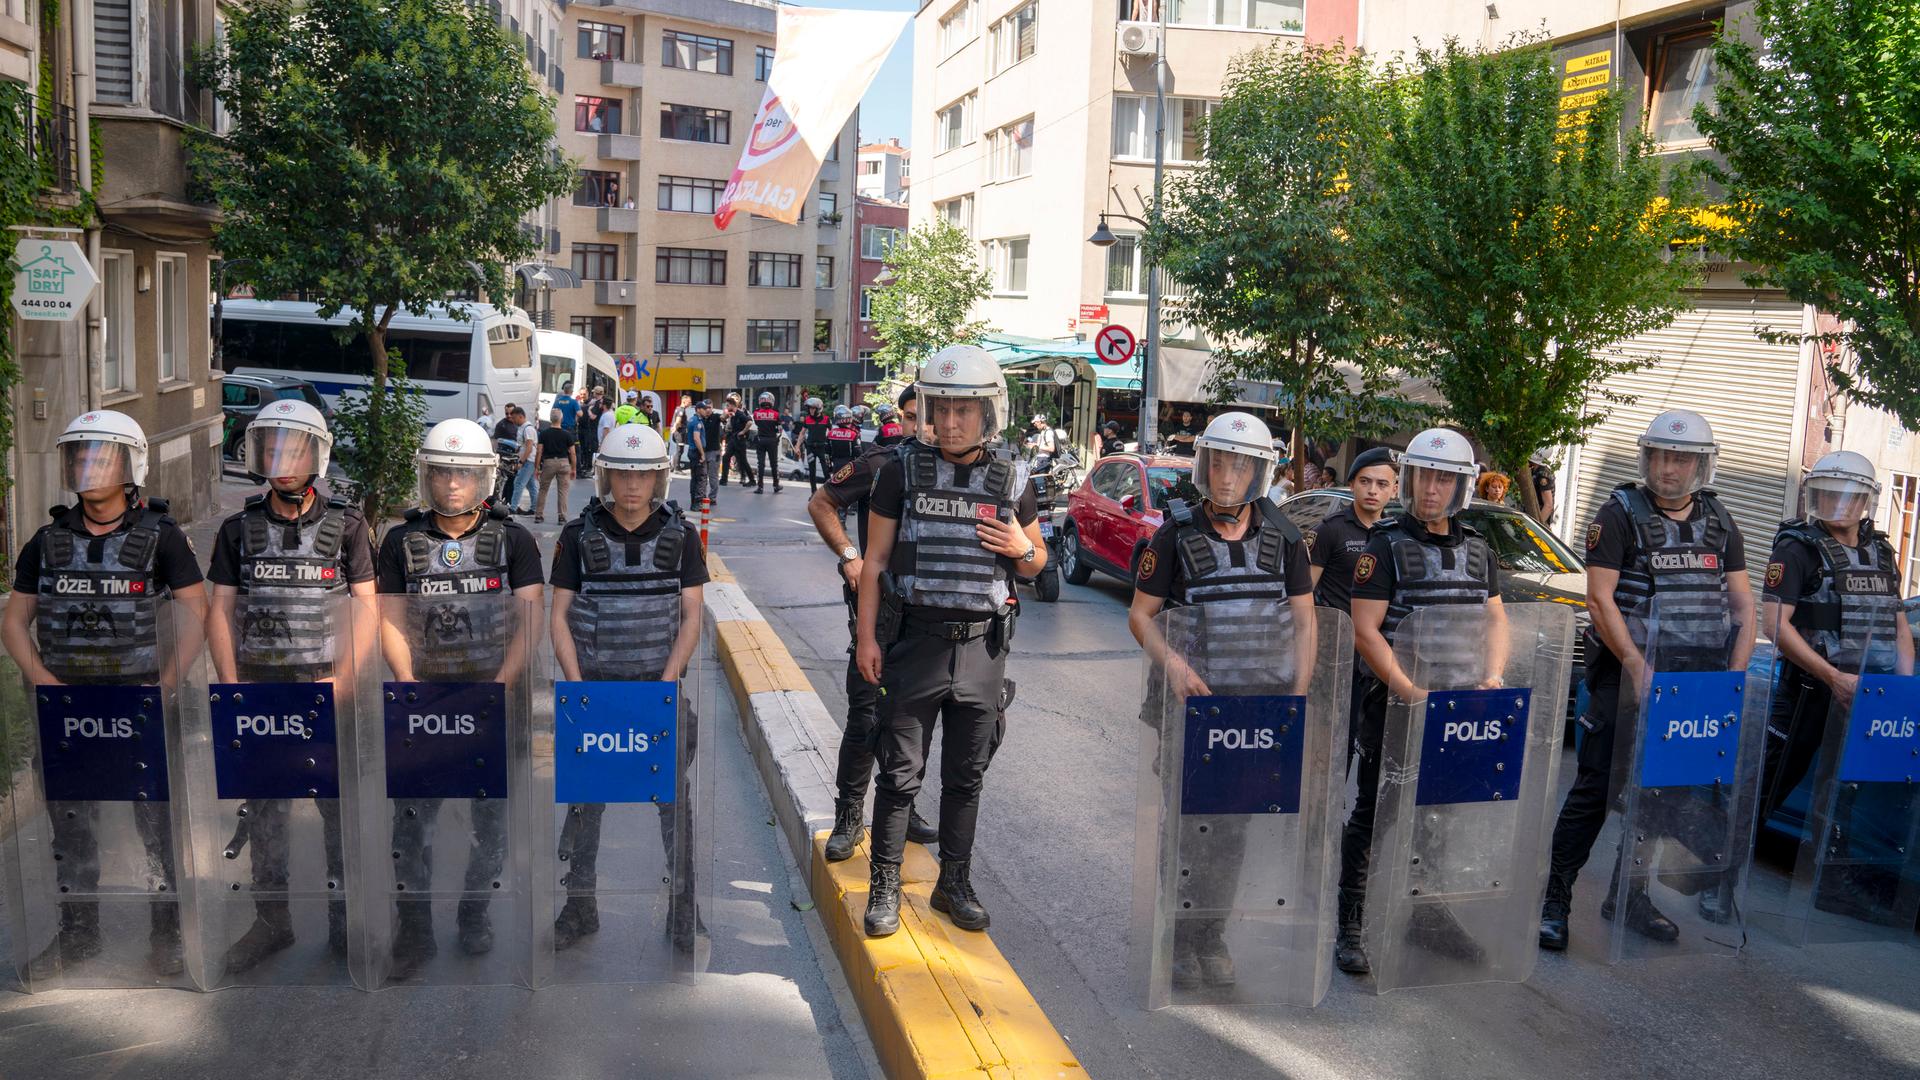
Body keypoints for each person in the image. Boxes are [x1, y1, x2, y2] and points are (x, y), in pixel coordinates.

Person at [1538, 412, 1756, 952]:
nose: (1668, 468)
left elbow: (1744, 606)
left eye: (1680, 458)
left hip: (1694, 684)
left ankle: (1629, 896)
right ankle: (1556, 900)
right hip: (1627, 678)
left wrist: (1732, 678)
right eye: (1660, 455)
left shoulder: (1721, 521)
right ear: (1647, 459)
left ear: (1700, 465)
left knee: (1664, 794)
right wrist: (1638, 668)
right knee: (1596, 790)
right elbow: (1599, 599)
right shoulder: (1618, 515)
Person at [2, 410, 207, 980]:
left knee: (157, 828)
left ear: (130, 466)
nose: (87, 467)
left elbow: (196, 612)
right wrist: (42, 679)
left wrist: (167, 682)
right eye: (79, 456)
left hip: (138, 707)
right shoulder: (46, 541)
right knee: (70, 828)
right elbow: (15, 619)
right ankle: (78, 936)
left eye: (101, 456)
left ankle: (166, 935)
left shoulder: (162, 538)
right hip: (68, 710)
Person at [855, 345, 1049, 937]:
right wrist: (867, 637)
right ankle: (884, 884)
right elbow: (876, 560)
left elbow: (1037, 563)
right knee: (899, 774)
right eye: (940, 409)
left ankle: (953, 884)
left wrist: (1021, 551)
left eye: (963, 409)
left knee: (967, 776)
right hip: (914, 642)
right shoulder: (899, 471)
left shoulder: (1012, 478)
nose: (949, 421)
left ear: (990, 411)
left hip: (982, 649)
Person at [1128, 411, 1314, 988]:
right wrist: (1176, 666)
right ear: (1205, 465)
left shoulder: (1284, 538)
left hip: (1256, 712)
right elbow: (1141, 616)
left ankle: (1213, 936)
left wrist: (1296, 700)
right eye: (1220, 463)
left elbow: (1305, 625)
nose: (1228, 476)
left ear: (1259, 472)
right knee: (1186, 826)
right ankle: (1178, 936)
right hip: (1193, 710)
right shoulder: (1176, 534)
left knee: (1233, 831)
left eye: (1241, 465)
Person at [202, 399, 377, 974]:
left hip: (326, 688)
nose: (282, 460)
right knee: (266, 809)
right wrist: (231, 689)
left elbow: (368, 611)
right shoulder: (237, 529)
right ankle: (271, 922)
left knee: (337, 809)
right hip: (259, 691)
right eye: (271, 448)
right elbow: (219, 610)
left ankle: (343, 922)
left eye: (294, 448)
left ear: (316, 455)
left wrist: (344, 680)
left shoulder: (349, 526)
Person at [374, 418, 543, 977]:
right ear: (428, 475)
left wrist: (500, 688)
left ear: (484, 480)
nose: (451, 485)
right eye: (443, 472)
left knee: (490, 821)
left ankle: (475, 915)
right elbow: (391, 620)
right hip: (425, 703)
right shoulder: (402, 541)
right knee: (412, 822)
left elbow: (529, 621)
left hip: (492, 702)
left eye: (463, 474)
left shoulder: (513, 539)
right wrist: (409, 687)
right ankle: (414, 928)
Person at [1339, 428, 1506, 975]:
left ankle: (1426, 915)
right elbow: (1366, 631)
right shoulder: (1383, 547)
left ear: (1461, 486)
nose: (1430, 489)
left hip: (1458, 710)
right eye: (1422, 476)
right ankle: (1352, 926)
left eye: (1443, 478)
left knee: (1440, 816)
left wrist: (1494, 675)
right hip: (1394, 704)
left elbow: (1496, 618)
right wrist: (1410, 692)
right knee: (1377, 813)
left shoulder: (1480, 549)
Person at [548, 423, 707, 950]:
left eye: (643, 475)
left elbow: (691, 617)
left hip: (657, 697)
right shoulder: (577, 536)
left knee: (673, 805)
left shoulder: (681, 536)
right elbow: (559, 617)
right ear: (606, 477)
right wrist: (578, 692)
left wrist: (664, 689)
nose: (632, 486)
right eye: (623, 474)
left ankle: (684, 910)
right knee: (585, 805)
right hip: (596, 692)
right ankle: (579, 906)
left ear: (659, 479)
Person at [809, 385, 941, 862]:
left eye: (928, 416)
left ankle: (902, 810)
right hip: (879, 611)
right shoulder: (878, 462)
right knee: (866, 715)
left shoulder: (958, 470)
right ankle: (848, 814)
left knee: (913, 721)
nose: (921, 427)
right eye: (911, 417)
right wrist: (850, 557)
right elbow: (822, 503)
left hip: (933, 616)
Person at [1757, 451, 1913, 839]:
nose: (1835, 504)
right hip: (1809, 692)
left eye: (1846, 495)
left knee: (1843, 794)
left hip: (1867, 692)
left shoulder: (1880, 552)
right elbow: (1775, 624)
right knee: (1769, 785)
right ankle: (1713, 879)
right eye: (1827, 494)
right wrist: (1831, 676)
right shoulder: (1797, 549)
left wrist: (1900, 690)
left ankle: (1832, 882)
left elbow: (1898, 625)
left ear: (1865, 501)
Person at [1309, 445, 1397, 979]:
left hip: (1378, 672)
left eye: (1382, 483)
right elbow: (1309, 590)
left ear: (1392, 490)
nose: (1372, 490)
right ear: (1354, 485)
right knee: (1330, 765)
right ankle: (1316, 855)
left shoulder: (1394, 539)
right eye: (1365, 481)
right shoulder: (1333, 529)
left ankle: (1353, 879)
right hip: (1338, 663)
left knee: (1375, 783)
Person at [535, 408, 576, 523]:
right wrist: (574, 468)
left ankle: (539, 515)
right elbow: (572, 453)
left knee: (543, 489)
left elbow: (539, 451)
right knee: (563, 491)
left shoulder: (543, 434)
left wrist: (537, 467)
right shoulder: (567, 435)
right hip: (563, 463)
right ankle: (562, 516)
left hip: (549, 463)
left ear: (550, 419)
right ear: (561, 419)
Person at [687, 399, 721, 508]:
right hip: (697, 452)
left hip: (706, 451)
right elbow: (697, 439)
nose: (705, 410)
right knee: (701, 478)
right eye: (703, 408)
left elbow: (723, 417)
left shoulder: (692, 419)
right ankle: (698, 502)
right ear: (698, 409)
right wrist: (702, 453)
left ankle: (697, 500)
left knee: (697, 478)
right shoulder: (697, 421)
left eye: (708, 408)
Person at [751, 391, 785, 494]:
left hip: (761, 440)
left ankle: (760, 487)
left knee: (760, 464)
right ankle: (776, 485)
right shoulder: (776, 414)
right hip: (772, 441)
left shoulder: (756, 413)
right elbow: (780, 430)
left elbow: (757, 423)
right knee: (774, 464)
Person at [800, 396, 833, 492]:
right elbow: (802, 433)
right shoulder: (807, 419)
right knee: (812, 471)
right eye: (810, 408)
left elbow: (832, 432)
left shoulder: (826, 419)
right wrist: (797, 446)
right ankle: (813, 492)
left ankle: (829, 492)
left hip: (822, 448)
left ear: (818, 409)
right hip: (810, 448)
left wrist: (831, 445)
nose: (811, 410)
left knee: (826, 470)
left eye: (813, 408)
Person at [721, 394, 755, 487]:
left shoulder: (740, 413)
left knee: (743, 461)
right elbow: (722, 418)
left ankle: (752, 480)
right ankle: (724, 480)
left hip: (740, 441)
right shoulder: (732, 414)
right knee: (726, 457)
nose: (727, 407)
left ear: (732, 405)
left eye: (728, 405)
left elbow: (749, 422)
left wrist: (743, 432)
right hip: (733, 440)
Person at [826, 404, 862, 471]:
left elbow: (827, 451)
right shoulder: (853, 434)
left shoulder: (831, 433)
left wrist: (828, 465)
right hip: (849, 466)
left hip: (835, 465)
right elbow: (858, 453)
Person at [1531, 455, 1558, 526]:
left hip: (1539, 518)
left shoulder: (1542, 475)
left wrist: (1536, 527)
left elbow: (1548, 505)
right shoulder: (1536, 470)